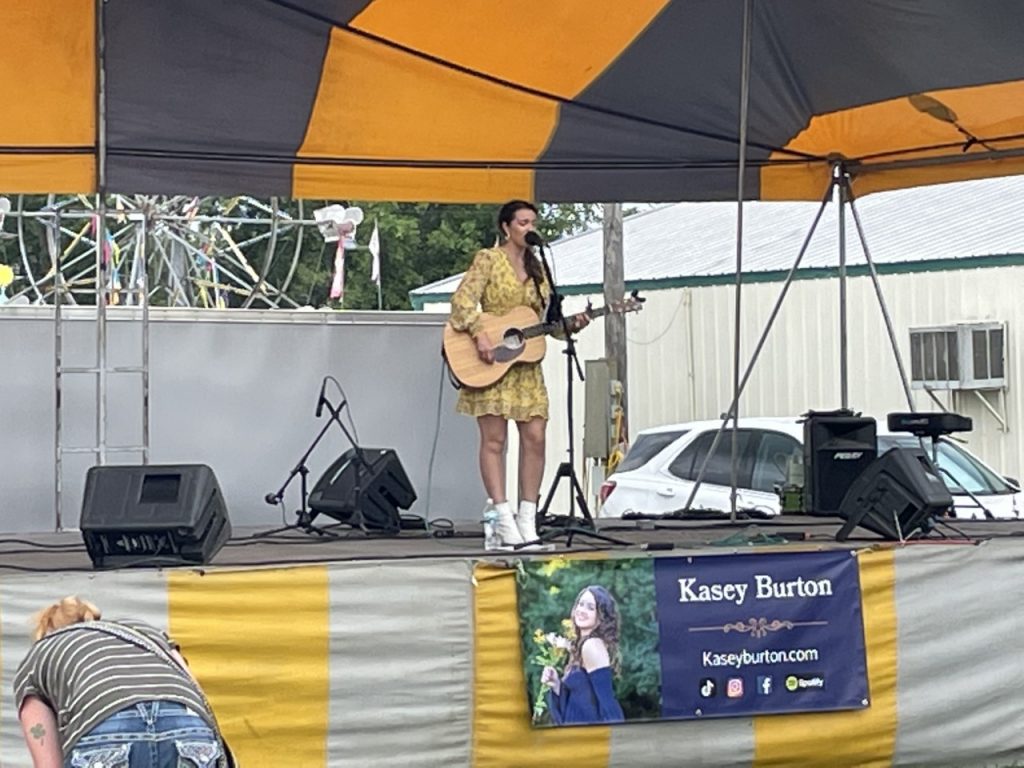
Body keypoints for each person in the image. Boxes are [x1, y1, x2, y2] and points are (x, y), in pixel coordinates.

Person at [448, 200, 585, 548]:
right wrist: (480, 333)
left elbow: (544, 328)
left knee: (535, 436)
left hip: (526, 369)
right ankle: (502, 516)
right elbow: (461, 303)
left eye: (532, 222)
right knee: (495, 441)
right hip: (492, 361)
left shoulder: (540, 270)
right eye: (523, 222)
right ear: (506, 227)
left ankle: (528, 517)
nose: (529, 228)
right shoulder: (488, 260)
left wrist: (572, 325)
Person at [13, 596, 232, 768]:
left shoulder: (39, 657)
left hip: (105, 732)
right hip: (187, 729)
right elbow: (196, 692)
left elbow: (48, 763)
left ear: (47, 629)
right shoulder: (141, 632)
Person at [541, 585, 625, 725]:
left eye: (591, 608)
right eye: (581, 604)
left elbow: (607, 703)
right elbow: (582, 697)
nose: (582, 610)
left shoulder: (591, 646)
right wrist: (556, 684)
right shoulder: (582, 646)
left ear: (601, 617)